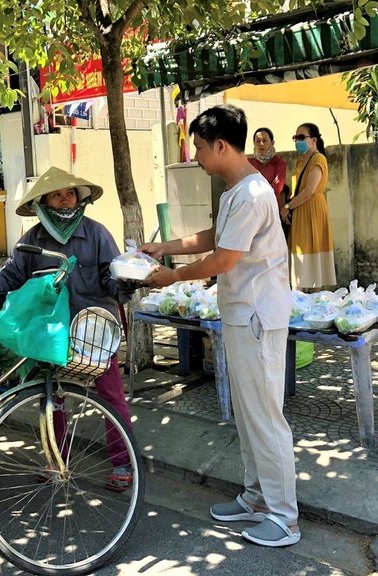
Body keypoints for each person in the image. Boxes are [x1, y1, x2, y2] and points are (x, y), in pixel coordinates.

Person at [140, 104, 300, 548]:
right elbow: (214, 237)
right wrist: (163, 247)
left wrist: (172, 275)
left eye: (199, 147)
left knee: (266, 419)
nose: (196, 156)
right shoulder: (236, 190)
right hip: (241, 315)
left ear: (222, 145)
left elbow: (223, 259)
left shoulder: (252, 195)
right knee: (249, 418)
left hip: (256, 318)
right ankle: (255, 498)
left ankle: (285, 518)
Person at [0, 166, 137, 491]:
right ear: (44, 203)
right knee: (52, 397)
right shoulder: (32, 241)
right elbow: (8, 279)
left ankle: (124, 461)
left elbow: (112, 278)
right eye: (58, 195)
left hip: (93, 331)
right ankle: (56, 459)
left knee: (111, 395)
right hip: (49, 334)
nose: (66, 200)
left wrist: (126, 282)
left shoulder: (97, 234)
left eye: (70, 194)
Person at [280, 122, 336, 290]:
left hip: (311, 210)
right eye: (296, 137)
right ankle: (301, 299)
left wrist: (287, 207)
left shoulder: (318, 159)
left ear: (314, 140)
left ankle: (314, 297)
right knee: (300, 256)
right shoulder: (301, 160)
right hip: (300, 210)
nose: (298, 141)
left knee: (311, 254)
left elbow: (309, 190)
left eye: (302, 137)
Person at [248, 127, 287, 209]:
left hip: (272, 208)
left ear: (272, 143)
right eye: (257, 141)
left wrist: (255, 188)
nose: (261, 144)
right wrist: (269, 184)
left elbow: (277, 188)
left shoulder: (280, 162)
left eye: (264, 140)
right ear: (254, 143)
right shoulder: (248, 163)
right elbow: (245, 187)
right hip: (253, 209)